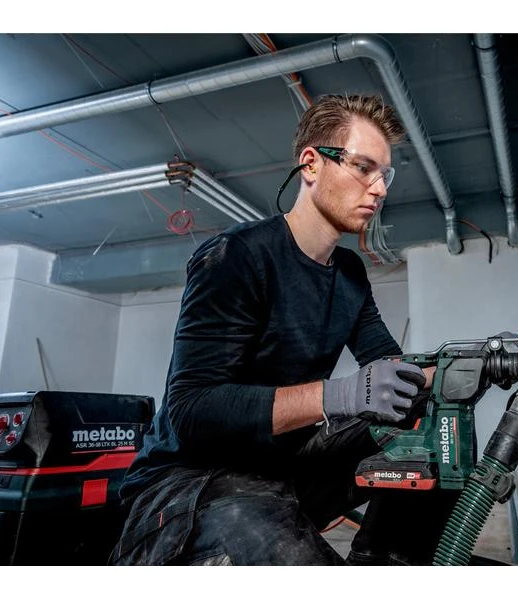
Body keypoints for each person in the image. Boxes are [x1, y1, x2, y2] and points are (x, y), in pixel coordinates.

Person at [109, 94, 461, 566]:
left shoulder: (349, 273)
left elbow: (388, 366)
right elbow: (193, 410)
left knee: (434, 427)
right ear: (311, 164)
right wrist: (339, 395)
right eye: (363, 168)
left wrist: (461, 369)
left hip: (279, 464)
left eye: (384, 175)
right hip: (186, 479)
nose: (379, 189)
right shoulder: (235, 256)